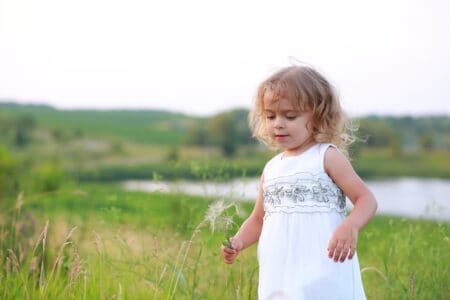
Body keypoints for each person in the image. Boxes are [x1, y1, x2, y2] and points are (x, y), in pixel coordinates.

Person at [220, 64, 378, 299]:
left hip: (324, 266)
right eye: (270, 116)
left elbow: (366, 199)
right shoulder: (272, 168)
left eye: (290, 116)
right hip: (280, 270)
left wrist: (350, 225)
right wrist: (239, 241)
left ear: (317, 117)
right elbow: (258, 218)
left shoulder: (326, 156)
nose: (278, 123)